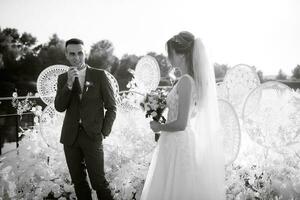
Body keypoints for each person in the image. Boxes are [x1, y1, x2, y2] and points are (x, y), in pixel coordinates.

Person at [140, 31, 225, 200]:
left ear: (182, 54)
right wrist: (155, 105)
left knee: (176, 188)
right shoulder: (186, 80)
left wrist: (159, 127)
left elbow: (181, 123)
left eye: (170, 53)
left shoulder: (186, 81)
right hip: (173, 141)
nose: (168, 57)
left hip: (179, 142)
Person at [54, 38, 116, 200]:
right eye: (72, 54)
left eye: (80, 53)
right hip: (70, 138)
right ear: (67, 55)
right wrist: (68, 83)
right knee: (79, 183)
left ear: (85, 53)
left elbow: (111, 107)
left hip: (93, 136)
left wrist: (104, 132)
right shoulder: (62, 78)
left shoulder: (100, 75)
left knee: (99, 182)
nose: (76, 57)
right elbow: (59, 107)